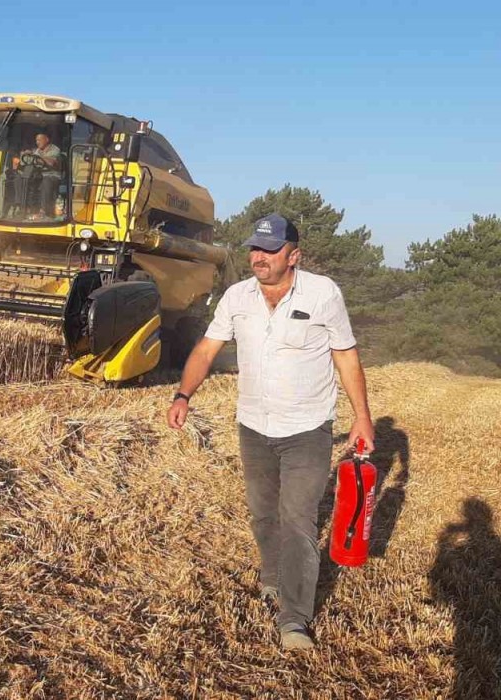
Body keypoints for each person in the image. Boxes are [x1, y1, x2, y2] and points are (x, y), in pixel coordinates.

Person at [166, 213, 375, 651]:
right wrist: (183, 395)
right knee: (263, 515)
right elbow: (207, 349)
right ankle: (273, 578)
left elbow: (345, 354)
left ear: (293, 255)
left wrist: (362, 417)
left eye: (270, 249)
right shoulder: (237, 297)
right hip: (254, 426)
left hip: (307, 428)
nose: (258, 257)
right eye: (254, 249)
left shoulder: (323, 294)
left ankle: (294, 620)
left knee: (298, 520)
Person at [9, 132, 62, 218]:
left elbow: (52, 163)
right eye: (36, 140)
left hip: (51, 175)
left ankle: (43, 211)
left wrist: (37, 157)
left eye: (39, 140)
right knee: (19, 178)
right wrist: (25, 155)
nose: (37, 142)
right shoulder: (36, 150)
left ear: (47, 139)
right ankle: (21, 206)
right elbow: (28, 161)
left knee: (46, 181)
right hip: (38, 174)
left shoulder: (55, 149)